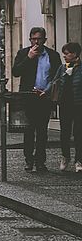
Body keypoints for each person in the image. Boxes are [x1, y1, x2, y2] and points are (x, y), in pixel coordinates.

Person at [11, 26, 61, 173]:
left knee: (42, 131)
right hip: (28, 97)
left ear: (45, 39)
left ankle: (40, 161)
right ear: (30, 39)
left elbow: (57, 76)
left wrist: (49, 91)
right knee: (28, 130)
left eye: (39, 39)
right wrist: (28, 58)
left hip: (44, 97)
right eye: (33, 39)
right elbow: (16, 72)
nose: (36, 42)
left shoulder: (52, 55)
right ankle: (29, 160)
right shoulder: (23, 53)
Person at [45, 42, 82, 173]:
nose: (65, 56)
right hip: (64, 104)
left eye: (67, 53)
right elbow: (54, 81)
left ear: (75, 54)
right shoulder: (62, 68)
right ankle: (65, 157)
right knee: (64, 133)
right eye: (64, 54)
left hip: (78, 104)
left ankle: (79, 160)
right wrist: (46, 91)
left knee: (79, 133)